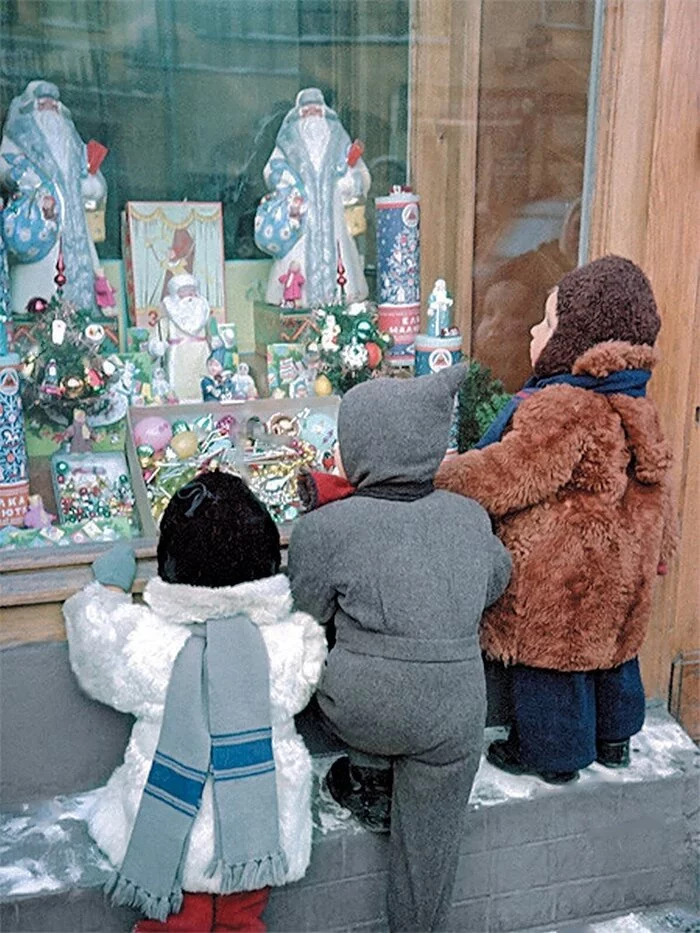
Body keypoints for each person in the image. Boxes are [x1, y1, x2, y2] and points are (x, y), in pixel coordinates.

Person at [436, 255, 678, 783]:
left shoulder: (563, 406)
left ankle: (552, 754)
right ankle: (614, 740)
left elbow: (509, 471)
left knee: (554, 663)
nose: (532, 329)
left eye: (548, 323)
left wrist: (445, 477)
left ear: (578, 338)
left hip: (563, 576)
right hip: (625, 572)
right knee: (615, 652)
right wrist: (661, 549)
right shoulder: (638, 404)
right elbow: (658, 486)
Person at [287, 367, 512, 932]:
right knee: (430, 852)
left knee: (329, 663)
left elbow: (304, 615)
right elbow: (497, 580)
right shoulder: (469, 516)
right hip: (455, 713)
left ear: (357, 444)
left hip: (362, 712)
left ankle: (369, 775)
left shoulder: (326, 528)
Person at [63, 472, 327, 933]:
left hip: (174, 830)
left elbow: (98, 645)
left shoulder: (150, 643)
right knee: (244, 919)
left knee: (178, 919)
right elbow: (302, 685)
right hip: (257, 833)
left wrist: (107, 591)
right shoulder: (288, 642)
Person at [256, 88, 371, 308]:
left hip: (333, 217)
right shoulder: (287, 142)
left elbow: (359, 175)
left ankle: (340, 299)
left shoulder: (339, 140)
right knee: (296, 260)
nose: (312, 116)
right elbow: (272, 170)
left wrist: (348, 183)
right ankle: (296, 299)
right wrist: (289, 185)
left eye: (316, 111)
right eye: (306, 111)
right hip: (301, 219)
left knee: (341, 255)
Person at [0, 80, 106, 313]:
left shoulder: (73, 142)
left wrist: (90, 183)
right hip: (39, 229)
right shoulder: (17, 137)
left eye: (53, 104)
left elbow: (92, 184)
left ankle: (76, 317)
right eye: (43, 104)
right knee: (38, 286)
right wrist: (34, 185)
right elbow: (5, 167)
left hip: (75, 228)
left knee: (75, 280)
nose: (50, 108)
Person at [149, 273, 219, 403]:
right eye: (185, 291)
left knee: (203, 382)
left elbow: (212, 331)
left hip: (201, 355)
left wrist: (215, 339)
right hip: (179, 357)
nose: (189, 295)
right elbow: (158, 336)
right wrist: (156, 346)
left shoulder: (203, 313)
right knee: (179, 387)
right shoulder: (168, 317)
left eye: (192, 290)